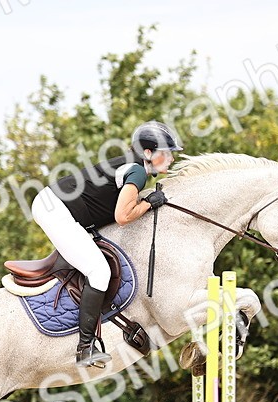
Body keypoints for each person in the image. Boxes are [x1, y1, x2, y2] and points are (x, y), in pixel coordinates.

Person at [31, 120, 183, 367]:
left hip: (55, 205)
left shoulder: (131, 166)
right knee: (99, 271)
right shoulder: (137, 172)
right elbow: (122, 217)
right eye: (166, 153)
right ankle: (85, 348)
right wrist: (149, 203)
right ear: (148, 152)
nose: (171, 159)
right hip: (56, 210)